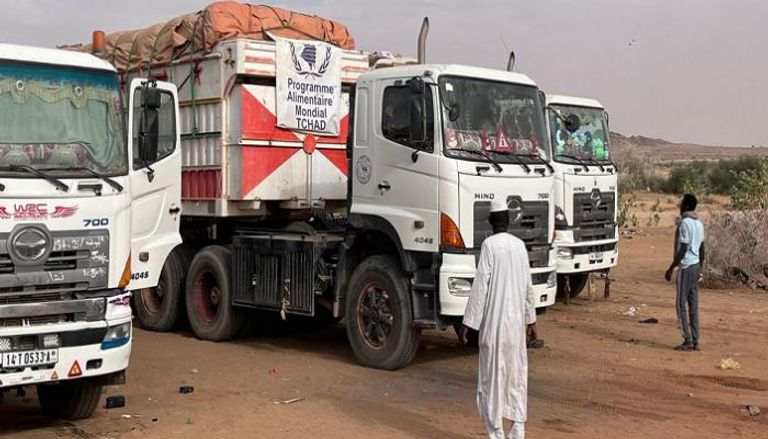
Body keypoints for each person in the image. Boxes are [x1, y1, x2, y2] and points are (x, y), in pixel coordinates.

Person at [459, 198, 537, 439]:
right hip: (515, 326)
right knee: (515, 377)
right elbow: (528, 287)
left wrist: (468, 322)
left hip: (494, 325)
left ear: (491, 221)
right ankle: (517, 429)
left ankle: (496, 433)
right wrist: (531, 321)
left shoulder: (490, 246)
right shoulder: (519, 246)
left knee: (493, 380)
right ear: (509, 220)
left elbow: (481, 286)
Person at [665, 193, 706, 351]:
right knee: (693, 304)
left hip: (686, 266)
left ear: (686, 206)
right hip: (695, 266)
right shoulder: (699, 224)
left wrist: (671, 268)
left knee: (681, 304)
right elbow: (702, 249)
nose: (680, 206)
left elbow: (683, 248)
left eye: (682, 203)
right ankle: (695, 339)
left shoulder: (685, 223)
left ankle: (687, 339)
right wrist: (700, 269)